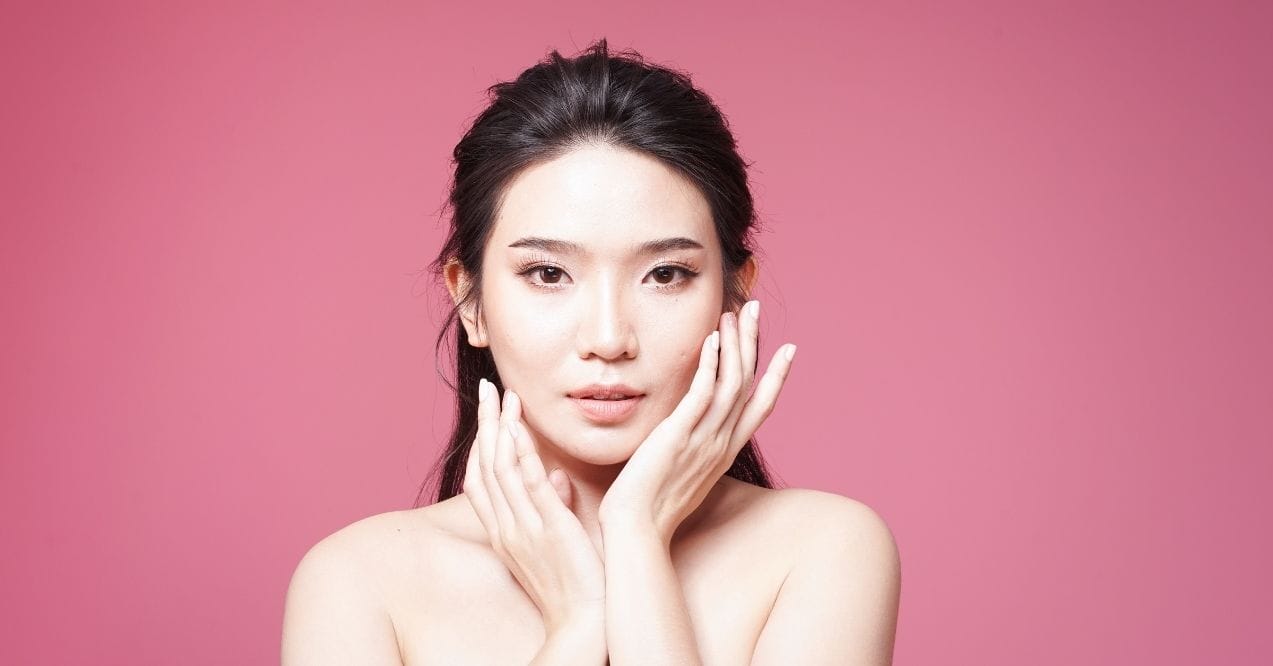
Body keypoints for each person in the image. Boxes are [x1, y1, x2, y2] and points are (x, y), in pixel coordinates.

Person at [281, 38, 901, 665]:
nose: (608, 339)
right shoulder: (361, 585)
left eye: (664, 275)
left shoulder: (824, 551)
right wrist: (577, 626)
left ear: (733, 294)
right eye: (548, 274)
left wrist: (635, 537)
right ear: (469, 300)